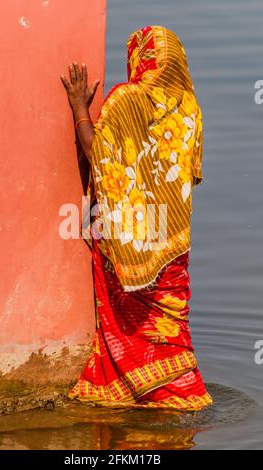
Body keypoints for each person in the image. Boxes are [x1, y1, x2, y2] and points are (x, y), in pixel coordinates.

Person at [60, 25, 213, 410]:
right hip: (173, 240)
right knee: (171, 323)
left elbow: (101, 158)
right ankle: (182, 393)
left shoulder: (126, 99)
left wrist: (80, 107)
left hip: (129, 240)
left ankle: (130, 389)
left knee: (133, 325)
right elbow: (187, 174)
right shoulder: (190, 109)